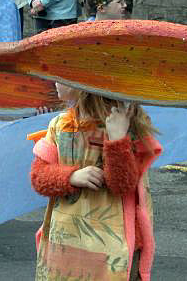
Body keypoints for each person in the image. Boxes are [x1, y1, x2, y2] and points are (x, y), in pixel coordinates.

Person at [30, 83, 162, 280]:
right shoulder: (59, 125)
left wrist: (117, 139)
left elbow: (122, 185)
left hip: (110, 250)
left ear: (84, 83)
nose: (54, 81)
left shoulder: (124, 123)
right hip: (65, 244)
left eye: (62, 76)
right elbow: (38, 177)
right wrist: (71, 177)